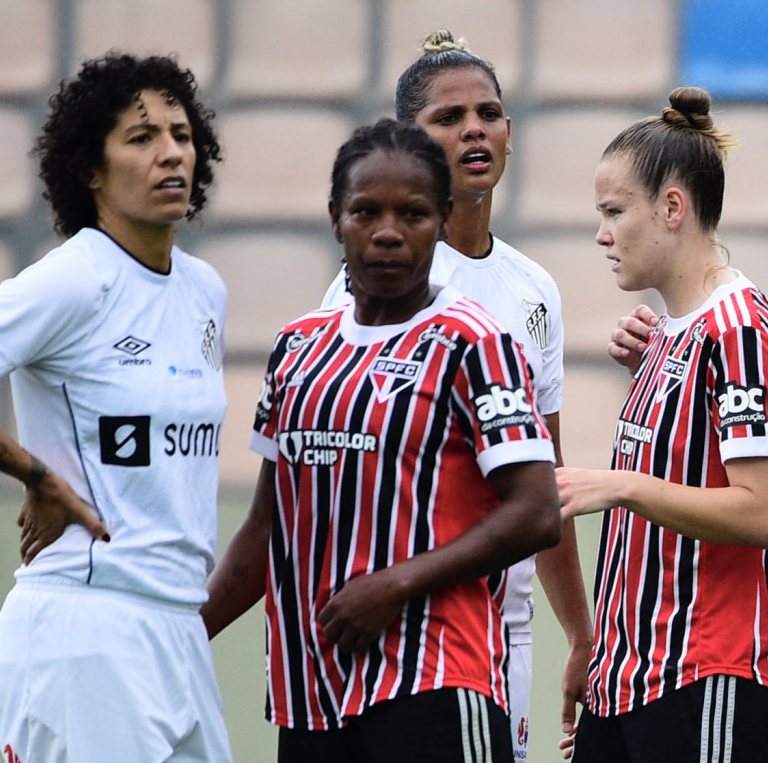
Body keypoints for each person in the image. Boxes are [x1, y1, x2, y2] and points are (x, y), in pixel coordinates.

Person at [0, 53, 233, 762]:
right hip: (86, 632)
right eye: (140, 138)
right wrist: (35, 475)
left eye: (181, 132)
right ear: (89, 170)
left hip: (178, 630)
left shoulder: (204, 291)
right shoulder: (75, 279)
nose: (171, 152)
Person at [201, 118, 562, 763]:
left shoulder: (474, 343)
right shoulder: (299, 348)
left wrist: (396, 585)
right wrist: (179, 636)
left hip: (439, 683)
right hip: (312, 694)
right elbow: (266, 525)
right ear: (336, 216)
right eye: (367, 211)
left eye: (414, 214)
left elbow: (536, 512)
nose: (389, 232)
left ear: (444, 217)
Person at [319, 29, 594, 760]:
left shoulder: (533, 290)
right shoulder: (376, 279)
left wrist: (583, 631)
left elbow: (549, 479)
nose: (475, 128)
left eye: (489, 112)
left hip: (506, 628)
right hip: (404, 621)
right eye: (449, 118)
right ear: (412, 143)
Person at [555, 86, 768, 762]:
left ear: (673, 207)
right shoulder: (673, 332)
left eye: (614, 211)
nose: (602, 234)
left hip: (709, 673)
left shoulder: (741, 330)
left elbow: (760, 512)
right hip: (629, 678)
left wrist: (620, 485)